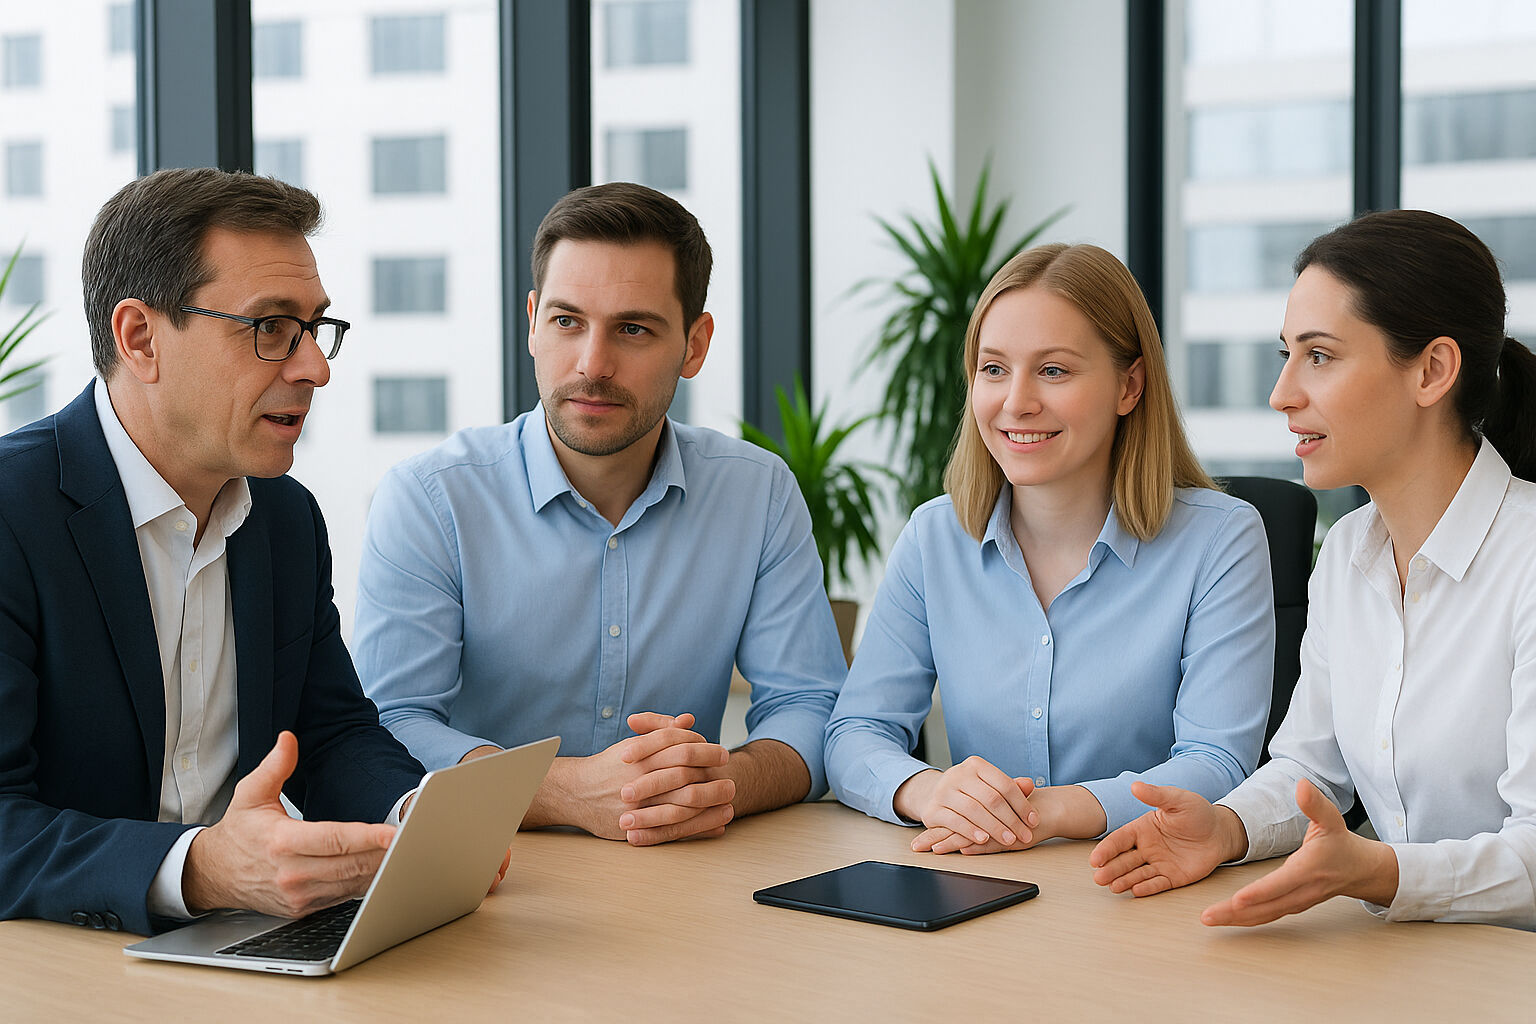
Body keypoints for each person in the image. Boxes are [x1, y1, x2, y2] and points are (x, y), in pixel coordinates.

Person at [0, 168, 427, 936]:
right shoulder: (11, 512)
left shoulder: (285, 517)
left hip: (239, 940)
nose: (314, 369)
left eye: (314, 328)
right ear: (140, 339)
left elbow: (332, 734)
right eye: (270, 328)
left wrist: (417, 817)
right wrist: (199, 868)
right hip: (64, 960)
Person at [355, 182, 846, 846]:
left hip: (684, 876)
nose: (592, 364)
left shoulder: (756, 494)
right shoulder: (430, 500)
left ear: (695, 345)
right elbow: (390, 726)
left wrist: (717, 786)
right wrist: (568, 791)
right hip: (488, 875)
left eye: (633, 329)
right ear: (532, 322)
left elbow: (811, 706)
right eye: (567, 322)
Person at [1090, 210, 1536, 930]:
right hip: (1398, 961)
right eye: (1284, 355)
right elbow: (1309, 770)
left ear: (1432, 370)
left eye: (1320, 356)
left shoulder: (1528, 562)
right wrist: (1225, 829)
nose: (1283, 393)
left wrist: (1381, 872)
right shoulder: (1349, 554)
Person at [823, 243, 1274, 854]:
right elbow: (855, 733)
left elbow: (1217, 762)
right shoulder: (935, 538)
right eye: (994, 369)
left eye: (1054, 370)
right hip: (978, 884)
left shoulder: (1220, 539)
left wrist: (1049, 811)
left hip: (1149, 891)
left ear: (1129, 386)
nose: (1016, 403)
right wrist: (929, 793)